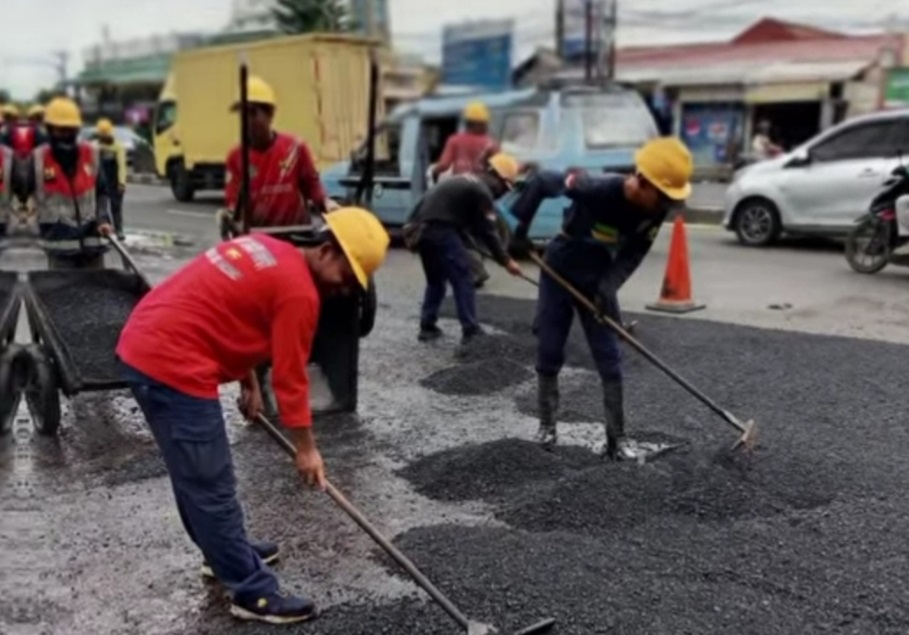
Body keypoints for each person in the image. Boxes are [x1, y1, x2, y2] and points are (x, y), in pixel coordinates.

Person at [116, 206, 390, 625]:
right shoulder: (300, 293)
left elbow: (234, 313)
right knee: (210, 484)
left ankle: (223, 552)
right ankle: (251, 591)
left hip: (147, 345)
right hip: (172, 363)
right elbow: (291, 378)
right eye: (348, 276)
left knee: (194, 476)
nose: (346, 288)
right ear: (326, 250)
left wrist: (248, 382)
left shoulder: (267, 248)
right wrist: (306, 450)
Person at [508, 137, 694, 459]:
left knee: (609, 356)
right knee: (550, 348)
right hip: (559, 269)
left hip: (597, 278)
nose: (667, 204)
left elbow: (634, 253)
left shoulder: (654, 211)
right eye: (664, 196)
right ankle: (547, 428)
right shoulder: (595, 187)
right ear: (642, 181)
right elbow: (542, 180)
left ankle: (616, 439)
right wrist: (518, 232)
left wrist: (609, 286)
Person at [408, 152, 523, 343]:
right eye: (505, 187)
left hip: (421, 230)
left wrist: (468, 242)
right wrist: (507, 261)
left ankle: (427, 326)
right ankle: (471, 331)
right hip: (440, 230)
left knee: (436, 280)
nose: (503, 193)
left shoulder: (467, 181)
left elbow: (464, 223)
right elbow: (488, 232)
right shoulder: (482, 192)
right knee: (463, 276)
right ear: (499, 179)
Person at [220, 75, 336, 236]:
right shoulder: (236, 157)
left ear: (270, 114)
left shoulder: (295, 149)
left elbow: (313, 186)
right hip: (258, 240)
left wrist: (327, 203)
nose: (247, 120)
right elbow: (233, 202)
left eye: (253, 113)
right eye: (243, 114)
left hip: (296, 236)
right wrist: (229, 217)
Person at [25, 97, 112, 269]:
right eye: (60, 130)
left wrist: (103, 219)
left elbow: (102, 191)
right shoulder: (38, 159)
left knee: (97, 286)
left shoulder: (90, 153)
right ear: (50, 129)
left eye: (69, 130)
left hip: (92, 245)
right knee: (61, 287)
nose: (65, 135)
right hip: (59, 249)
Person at [428, 101, 499, 183]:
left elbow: (444, 165)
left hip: (459, 185)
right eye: (485, 124)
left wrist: (434, 172)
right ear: (478, 124)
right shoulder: (490, 143)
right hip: (481, 185)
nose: (486, 127)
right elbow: (499, 168)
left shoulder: (454, 140)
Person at [94, 118, 128, 240]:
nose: (104, 137)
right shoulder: (95, 146)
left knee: (116, 206)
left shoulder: (118, 146)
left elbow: (122, 165)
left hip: (114, 181)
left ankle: (119, 229)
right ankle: (106, 228)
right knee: (101, 206)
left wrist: (122, 182)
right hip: (100, 182)